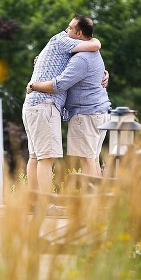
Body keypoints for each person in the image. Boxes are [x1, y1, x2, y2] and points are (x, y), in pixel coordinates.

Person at [22, 14, 101, 194]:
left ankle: (34, 203)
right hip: (45, 105)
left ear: (79, 33)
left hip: (34, 106)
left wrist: (103, 73)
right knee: (46, 158)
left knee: (35, 157)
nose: (66, 30)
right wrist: (33, 85)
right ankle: (46, 203)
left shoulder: (64, 44)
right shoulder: (63, 40)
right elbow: (95, 45)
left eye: (70, 28)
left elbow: (87, 61)